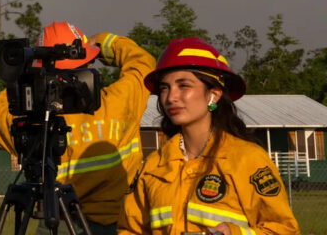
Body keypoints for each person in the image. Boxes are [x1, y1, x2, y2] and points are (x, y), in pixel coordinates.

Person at [0, 21, 157, 235]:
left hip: (60, 222)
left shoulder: (35, 123)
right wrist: (103, 43)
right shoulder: (120, 102)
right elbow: (143, 63)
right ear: (89, 64)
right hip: (122, 222)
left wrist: (25, 71)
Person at [118, 37, 300, 235]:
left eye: (183, 85)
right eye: (164, 88)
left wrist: (234, 233)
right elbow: (130, 230)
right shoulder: (153, 166)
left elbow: (284, 230)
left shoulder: (247, 159)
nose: (171, 97)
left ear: (214, 94)